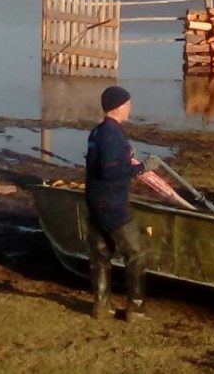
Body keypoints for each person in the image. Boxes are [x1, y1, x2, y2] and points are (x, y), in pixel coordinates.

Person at [85, 85, 159, 322]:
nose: (130, 107)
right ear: (118, 107)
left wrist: (124, 156)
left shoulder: (97, 132)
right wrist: (140, 168)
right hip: (112, 205)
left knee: (101, 256)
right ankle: (135, 310)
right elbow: (110, 171)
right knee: (137, 254)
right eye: (128, 103)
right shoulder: (113, 134)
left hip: (95, 203)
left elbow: (101, 163)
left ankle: (101, 308)